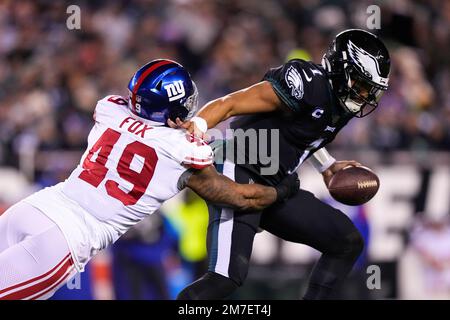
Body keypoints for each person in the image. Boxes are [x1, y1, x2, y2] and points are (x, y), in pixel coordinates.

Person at [0, 59, 299, 300]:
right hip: (65, 239)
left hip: (35, 208)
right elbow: (239, 197)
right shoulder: (184, 151)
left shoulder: (109, 109)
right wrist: (283, 189)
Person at [174, 29, 391, 300]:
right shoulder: (306, 84)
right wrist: (199, 124)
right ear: (339, 69)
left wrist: (327, 165)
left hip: (275, 186)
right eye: (359, 84)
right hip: (238, 171)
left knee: (347, 242)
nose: (363, 95)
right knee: (224, 279)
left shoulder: (341, 103)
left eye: (370, 90)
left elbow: (306, 131)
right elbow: (231, 103)